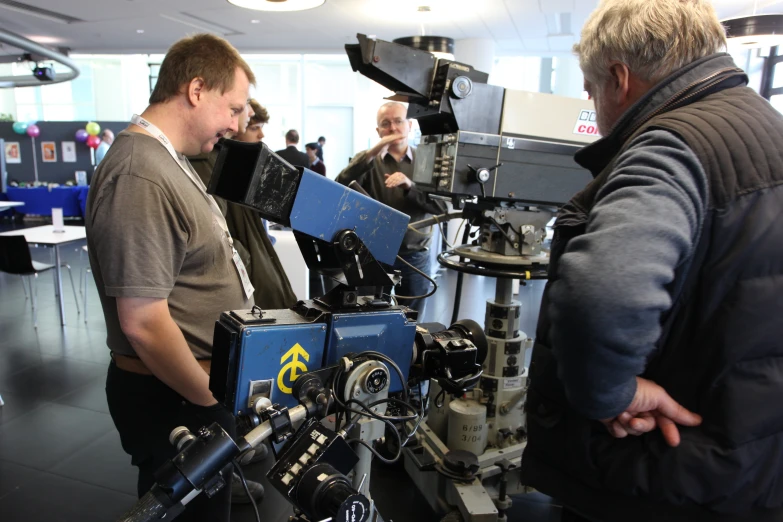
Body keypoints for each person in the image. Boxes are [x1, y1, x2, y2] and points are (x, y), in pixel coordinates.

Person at [520, 1, 783, 522]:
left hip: (657, 474)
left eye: (592, 91)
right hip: (749, 468)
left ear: (619, 79)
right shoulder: (769, 129)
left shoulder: (670, 147)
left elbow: (604, 293)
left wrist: (609, 391)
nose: (593, 105)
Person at [85, 33, 256, 522]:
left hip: (193, 385)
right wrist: (211, 396)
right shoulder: (141, 171)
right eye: (233, 107)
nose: (237, 122)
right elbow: (141, 320)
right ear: (197, 89)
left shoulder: (168, 160)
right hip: (177, 394)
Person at [336, 101, 445, 315]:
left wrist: (409, 186)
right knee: (369, 314)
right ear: (378, 131)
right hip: (373, 253)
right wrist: (372, 152)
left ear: (410, 125)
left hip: (414, 254)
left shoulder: (426, 162)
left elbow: (441, 205)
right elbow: (340, 184)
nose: (393, 128)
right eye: (386, 124)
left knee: (411, 317)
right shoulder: (368, 161)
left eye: (398, 121)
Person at [189, 100, 297, 312]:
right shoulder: (214, 166)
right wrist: (244, 257)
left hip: (257, 275)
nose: (261, 135)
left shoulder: (245, 169)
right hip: (246, 285)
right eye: (254, 128)